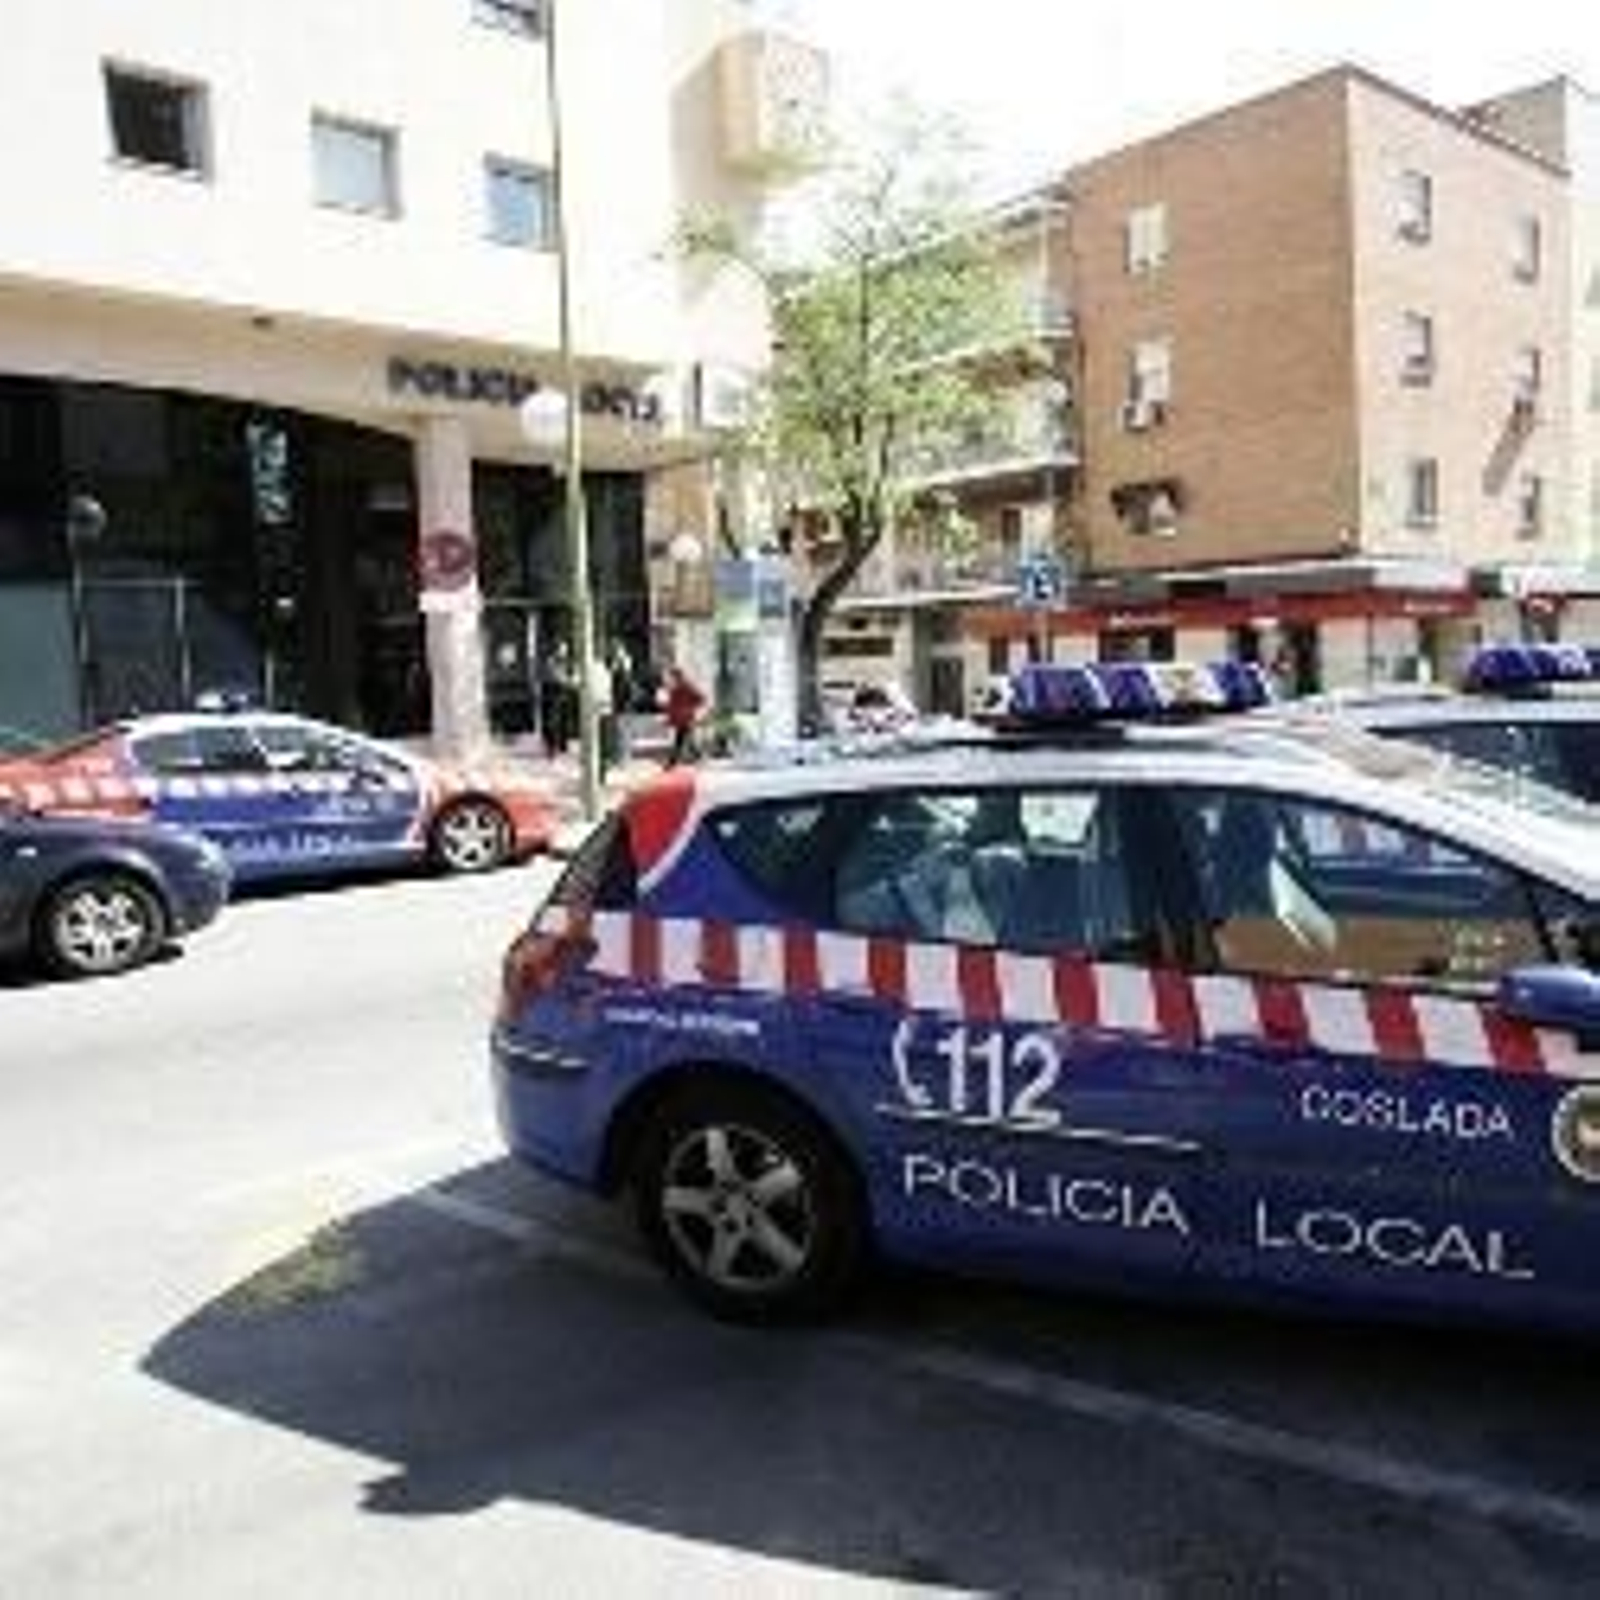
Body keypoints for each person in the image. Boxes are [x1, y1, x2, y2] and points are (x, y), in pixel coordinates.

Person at [661, 665, 706, 767]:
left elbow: (701, 698)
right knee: (684, 739)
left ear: (676, 676)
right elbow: (672, 705)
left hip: (685, 719)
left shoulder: (686, 686)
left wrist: (690, 710)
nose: (668, 679)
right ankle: (696, 756)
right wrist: (668, 716)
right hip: (681, 719)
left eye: (670, 676)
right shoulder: (674, 688)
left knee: (680, 740)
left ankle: (673, 762)